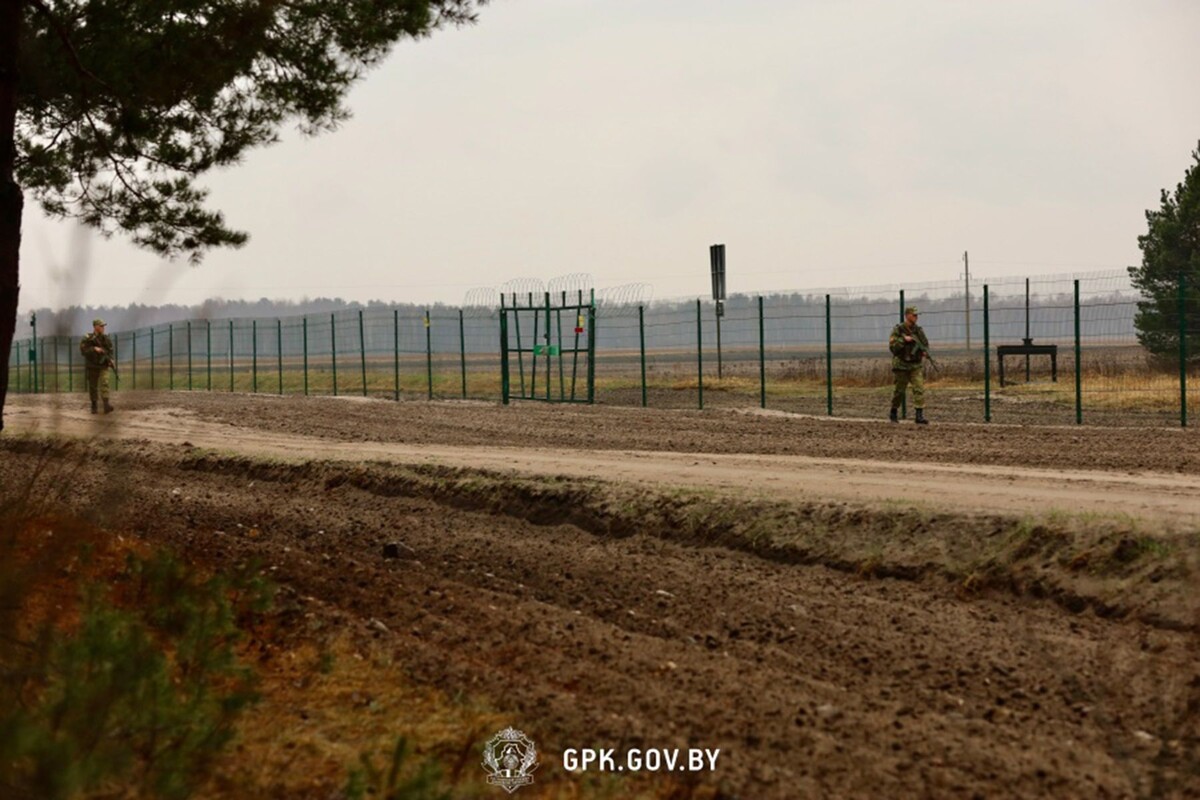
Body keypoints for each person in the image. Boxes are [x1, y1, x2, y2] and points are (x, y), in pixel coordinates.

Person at [888, 305, 929, 424]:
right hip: (901, 365)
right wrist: (903, 340)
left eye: (917, 315)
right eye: (913, 315)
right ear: (907, 316)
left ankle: (919, 415)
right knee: (899, 391)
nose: (916, 317)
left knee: (919, 388)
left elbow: (925, 343)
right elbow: (893, 347)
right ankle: (894, 411)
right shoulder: (899, 330)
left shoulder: (918, 330)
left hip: (915, 365)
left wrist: (924, 351)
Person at [80, 318, 115, 414]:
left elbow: (110, 350)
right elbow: (83, 351)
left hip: (103, 365)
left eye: (103, 326)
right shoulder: (87, 338)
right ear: (95, 327)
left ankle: (106, 404)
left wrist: (111, 360)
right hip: (92, 365)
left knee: (105, 383)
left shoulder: (106, 339)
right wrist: (94, 349)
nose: (103, 328)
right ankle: (94, 405)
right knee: (93, 386)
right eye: (101, 326)